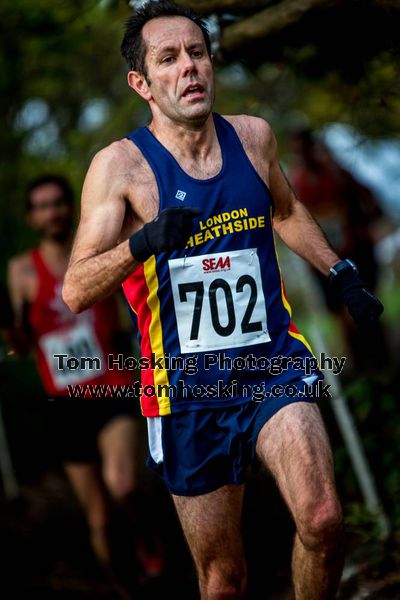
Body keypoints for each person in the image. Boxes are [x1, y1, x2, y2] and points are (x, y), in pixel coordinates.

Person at [62, 2, 383, 598]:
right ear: (142, 83)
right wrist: (144, 242)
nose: (190, 67)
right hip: (186, 388)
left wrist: (342, 273)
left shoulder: (253, 137)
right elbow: (76, 288)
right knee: (223, 578)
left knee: (323, 522)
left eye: (198, 52)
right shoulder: (121, 168)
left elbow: (285, 210)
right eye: (169, 58)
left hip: (271, 361)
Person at [6, 174, 163, 596]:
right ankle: (128, 590)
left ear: (69, 207)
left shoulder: (96, 252)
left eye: (58, 202)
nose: (52, 211)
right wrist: (11, 331)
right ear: (31, 216)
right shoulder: (20, 270)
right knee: (100, 519)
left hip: (110, 385)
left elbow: (131, 299)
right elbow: (21, 346)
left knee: (124, 485)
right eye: (41, 205)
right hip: (64, 401)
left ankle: (149, 537)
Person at [288, 129, 389, 372]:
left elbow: (369, 199)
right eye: (297, 150)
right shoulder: (296, 183)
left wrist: (368, 225)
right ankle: (362, 367)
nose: (303, 153)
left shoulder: (335, 174)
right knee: (342, 317)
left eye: (305, 147)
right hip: (324, 264)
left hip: (357, 253)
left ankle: (382, 361)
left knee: (367, 308)